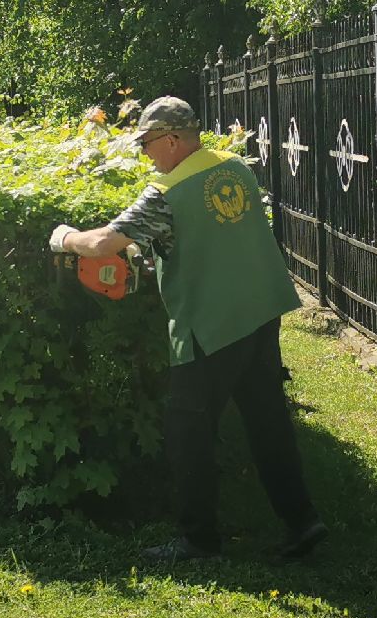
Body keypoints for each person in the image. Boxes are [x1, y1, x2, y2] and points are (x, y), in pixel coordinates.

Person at [49, 96, 328, 562]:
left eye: (148, 143)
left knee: (187, 432)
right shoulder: (234, 167)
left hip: (212, 323)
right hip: (260, 309)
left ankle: (198, 541)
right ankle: (302, 520)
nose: (145, 153)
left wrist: (64, 237)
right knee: (267, 421)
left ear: (174, 139)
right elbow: (213, 234)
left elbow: (101, 244)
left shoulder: (167, 193)